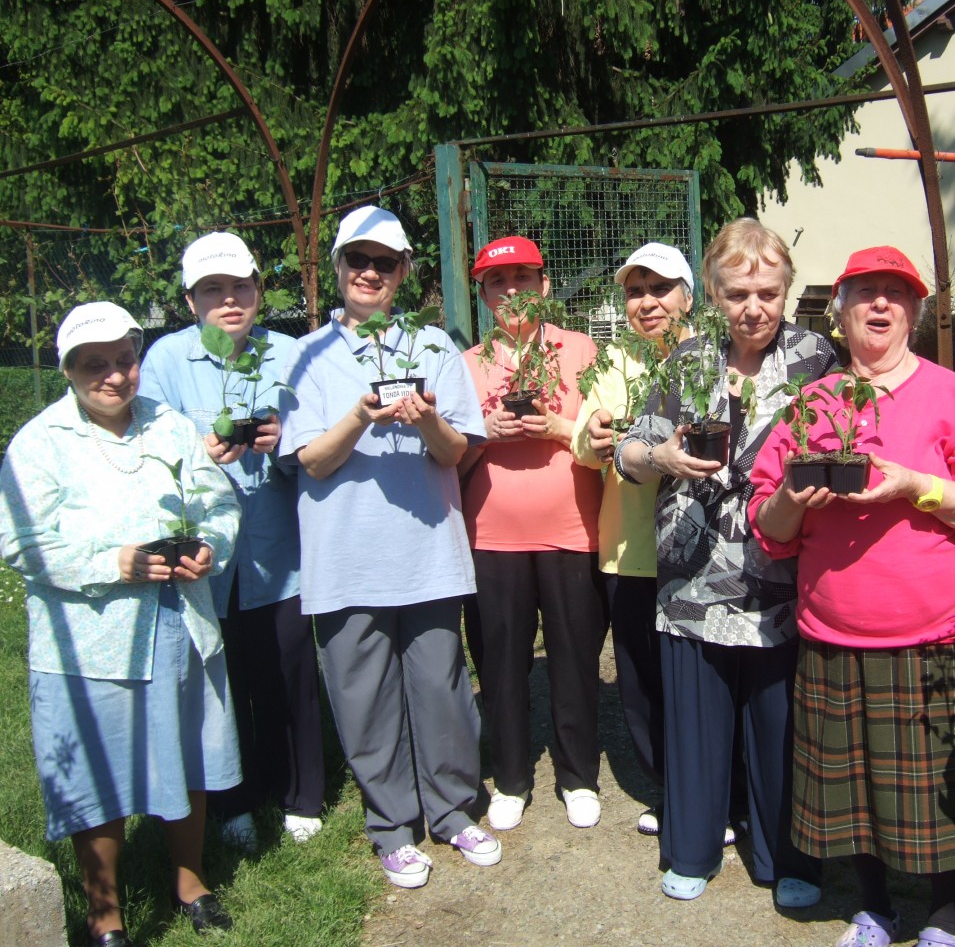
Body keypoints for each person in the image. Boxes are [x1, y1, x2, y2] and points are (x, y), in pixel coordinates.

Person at [749, 245, 955, 947]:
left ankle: (944, 918)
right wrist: (789, 498)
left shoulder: (950, 394)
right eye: (863, 292)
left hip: (936, 630)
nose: (879, 304)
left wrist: (913, 485)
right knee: (857, 790)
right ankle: (874, 908)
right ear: (838, 312)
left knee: (938, 792)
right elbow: (769, 531)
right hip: (836, 633)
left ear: (915, 312)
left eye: (895, 294)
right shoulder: (814, 402)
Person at [0, 301, 242, 946]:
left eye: (124, 360)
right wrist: (115, 562)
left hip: (180, 628)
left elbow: (217, 501)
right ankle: (105, 915)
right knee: (97, 774)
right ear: (68, 371)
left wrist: (210, 548)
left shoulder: (169, 427)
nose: (113, 376)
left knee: (188, 755)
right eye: (94, 365)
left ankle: (190, 882)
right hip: (90, 642)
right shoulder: (40, 442)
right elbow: (21, 542)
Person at [276, 206, 500, 889]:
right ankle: (393, 826)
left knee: (441, 688)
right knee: (364, 696)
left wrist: (428, 417)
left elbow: (457, 450)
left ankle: (454, 809)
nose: (369, 273)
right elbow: (310, 460)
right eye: (357, 261)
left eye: (384, 263)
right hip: (346, 559)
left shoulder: (434, 346)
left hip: (427, 553)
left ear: (403, 272)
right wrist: (358, 416)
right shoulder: (307, 355)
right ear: (340, 268)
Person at [615, 217, 835, 904]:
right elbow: (628, 452)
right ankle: (692, 850)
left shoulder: (815, 359)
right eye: (738, 293)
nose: (754, 308)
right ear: (712, 294)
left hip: (780, 579)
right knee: (697, 728)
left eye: (768, 292)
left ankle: (786, 860)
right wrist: (663, 456)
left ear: (788, 290)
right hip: (693, 580)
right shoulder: (686, 361)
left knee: (780, 733)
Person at [139, 231, 324, 850]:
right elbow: (148, 455)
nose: (228, 301)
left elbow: (318, 450)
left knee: (288, 666)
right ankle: (230, 800)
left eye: (240, 286)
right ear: (191, 300)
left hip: (280, 545)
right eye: (212, 290)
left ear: (258, 289)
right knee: (217, 678)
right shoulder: (165, 361)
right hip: (204, 556)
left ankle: (299, 792)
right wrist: (200, 457)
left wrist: (286, 449)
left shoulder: (291, 354)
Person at [460, 235, 609, 832]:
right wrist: (486, 431)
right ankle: (512, 778)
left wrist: (555, 423)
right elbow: (451, 458)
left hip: (573, 529)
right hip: (492, 535)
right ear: (485, 295)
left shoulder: (579, 350)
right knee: (500, 663)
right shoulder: (469, 365)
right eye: (499, 282)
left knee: (575, 659)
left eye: (523, 278)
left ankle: (578, 776)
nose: (512, 290)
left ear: (546, 286)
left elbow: (602, 433)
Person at [569, 242, 692, 834]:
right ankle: (670, 789)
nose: (647, 302)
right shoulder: (611, 362)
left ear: (687, 296)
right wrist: (591, 442)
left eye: (660, 288)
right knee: (641, 681)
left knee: (695, 684)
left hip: (700, 555)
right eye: (635, 291)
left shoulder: (709, 359)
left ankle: (714, 790)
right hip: (630, 551)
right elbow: (580, 442)